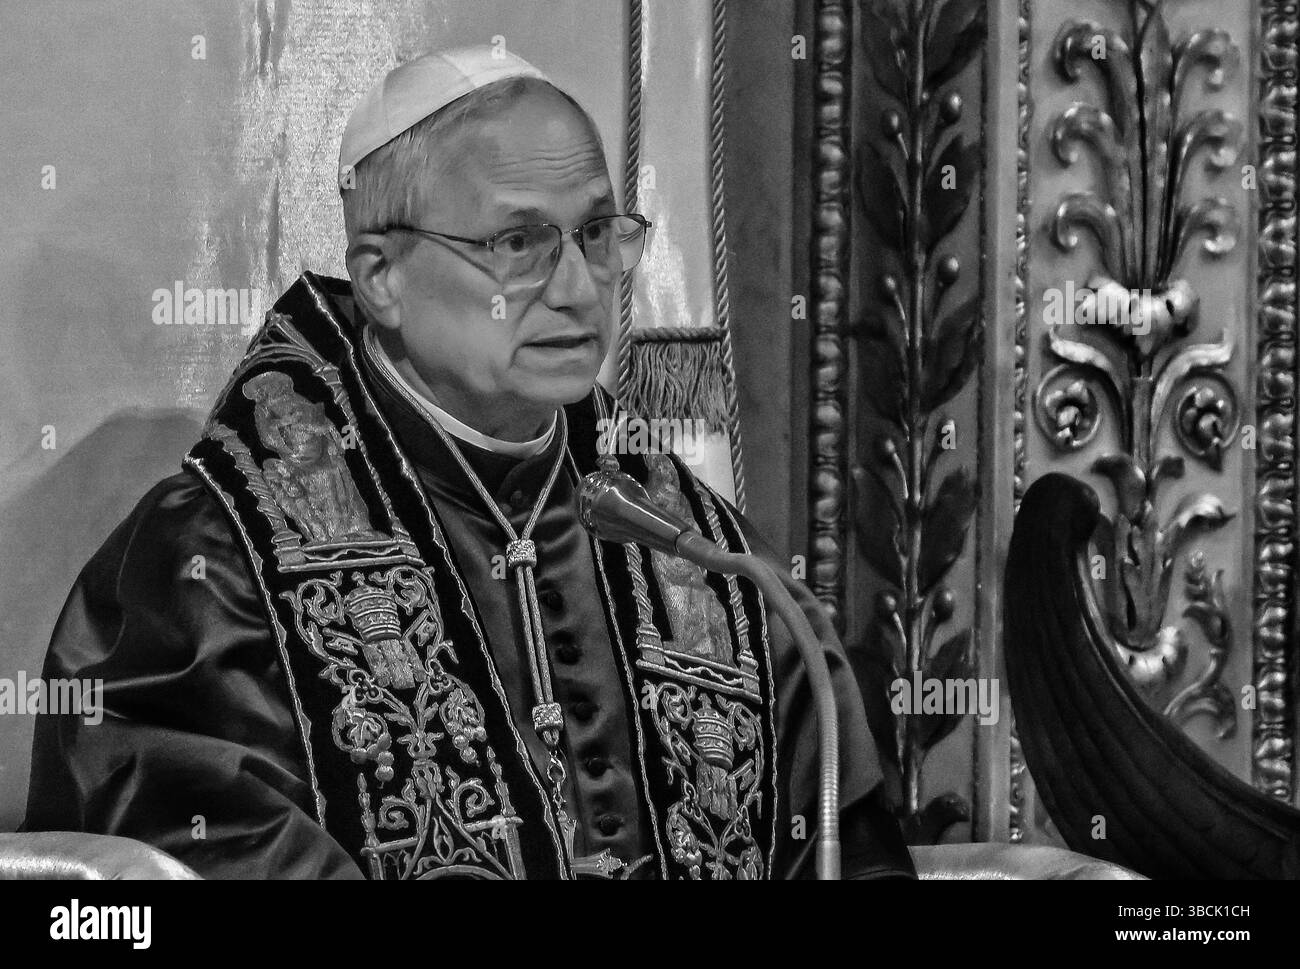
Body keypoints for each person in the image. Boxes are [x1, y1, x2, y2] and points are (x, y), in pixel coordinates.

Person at [23, 46, 914, 880]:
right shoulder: (216, 571)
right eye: (518, 244)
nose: (576, 288)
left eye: (597, 232)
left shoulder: (709, 566)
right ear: (382, 275)